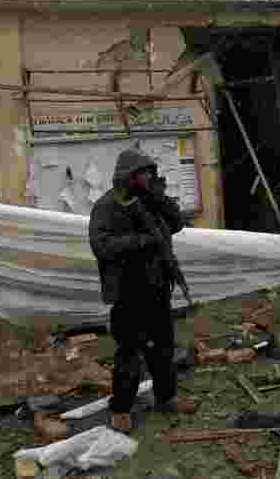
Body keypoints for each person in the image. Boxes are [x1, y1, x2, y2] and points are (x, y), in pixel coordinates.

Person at [89, 147, 198, 433]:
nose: (147, 177)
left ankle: (167, 398)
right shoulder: (107, 205)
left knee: (163, 348)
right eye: (141, 173)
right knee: (129, 352)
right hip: (128, 291)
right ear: (127, 176)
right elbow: (101, 246)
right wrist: (141, 241)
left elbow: (175, 225)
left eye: (150, 172)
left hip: (158, 286)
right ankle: (121, 409)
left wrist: (161, 200)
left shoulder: (151, 201)